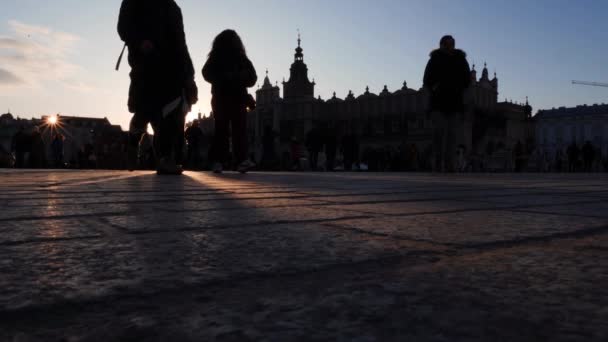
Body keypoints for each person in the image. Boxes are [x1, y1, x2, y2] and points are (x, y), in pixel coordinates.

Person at [118, 0, 198, 175]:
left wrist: (189, 74)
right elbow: (123, 27)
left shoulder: (173, 8)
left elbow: (181, 42)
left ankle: (165, 158)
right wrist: (141, 42)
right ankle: (134, 136)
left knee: (171, 111)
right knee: (146, 109)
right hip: (147, 61)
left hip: (172, 67)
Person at [202, 29, 257, 174]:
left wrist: (224, 78)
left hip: (225, 98)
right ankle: (236, 160)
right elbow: (252, 78)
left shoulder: (218, 57)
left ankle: (221, 161)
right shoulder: (240, 58)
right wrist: (231, 77)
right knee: (236, 129)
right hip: (229, 98)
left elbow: (206, 73)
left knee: (224, 129)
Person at [423, 35, 471, 173]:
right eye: (448, 44)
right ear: (441, 45)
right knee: (438, 132)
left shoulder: (461, 59)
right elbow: (426, 79)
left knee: (452, 135)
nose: (450, 46)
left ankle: (450, 165)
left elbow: (467, 79)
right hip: (438, 102)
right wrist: (435, 87)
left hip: (455, 102)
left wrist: (459, 88)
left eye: (452, 43)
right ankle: (438, 163)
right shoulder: (435, 58)